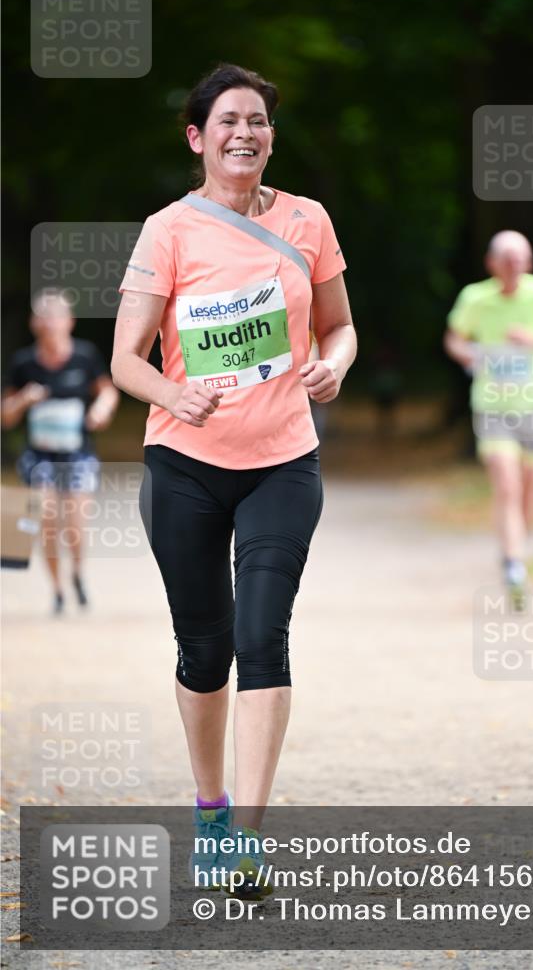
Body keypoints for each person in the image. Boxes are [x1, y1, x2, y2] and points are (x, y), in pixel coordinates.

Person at [111, 63, 356, 896]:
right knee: (204, 648)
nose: (244, 133)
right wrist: (175, 390)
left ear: (270, 136)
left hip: (284, 460)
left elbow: (340, 327)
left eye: (257, 121)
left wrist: (333, 366)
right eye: (227, 122)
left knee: (262, 637)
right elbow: (124, 360)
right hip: (182, 464)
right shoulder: (167, 231)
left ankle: (242, 841)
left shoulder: (307, 219)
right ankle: (209, 802)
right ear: (197, 137)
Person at [444, 231, 533, 602]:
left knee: (528, 490)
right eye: (507, 259)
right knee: (506, 486)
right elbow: (454, 338)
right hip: (493, 407)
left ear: (530, 262)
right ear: (492, 263)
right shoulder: (475, 298)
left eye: (521, 258)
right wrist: (469, 354)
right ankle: (513, 564)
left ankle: (515, 551)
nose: (514, 265)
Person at [1, 289, 119, 614]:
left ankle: (78, 573)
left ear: (70, 321)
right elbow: (6, 415)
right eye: (45, 316)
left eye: (57, 316)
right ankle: (56, 590)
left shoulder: (85, 356)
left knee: (75, 526)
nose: (51, 323)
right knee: (47, 521)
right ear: (34, 323)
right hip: (40, 457)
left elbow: (107, 391)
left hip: (78, 454)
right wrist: (24, 399)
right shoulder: (23, 363)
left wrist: (101, 410)